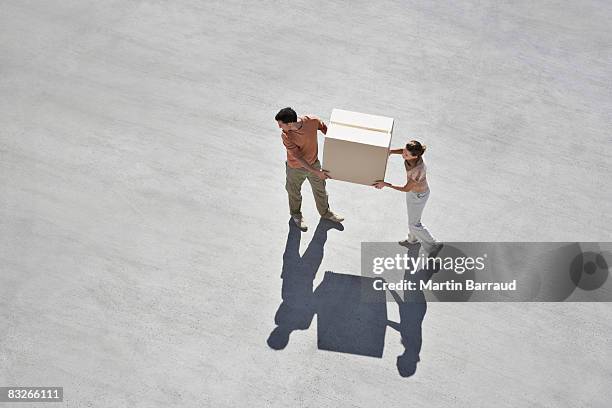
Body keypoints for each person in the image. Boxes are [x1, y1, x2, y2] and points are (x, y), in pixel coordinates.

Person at [276, 107, 344, 232]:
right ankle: (296, 215)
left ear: (290, 123)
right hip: (295, 168)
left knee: (321, 190)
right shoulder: (286, 135)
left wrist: (334, 140)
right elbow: (298, 157)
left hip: (314, 163)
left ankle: (326, 213)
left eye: (281, 124)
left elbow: (323, 127)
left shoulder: (311, 121)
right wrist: (316, 172)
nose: (280, 127)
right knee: (294, 193)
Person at [373, 140, 441, 254]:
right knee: (413, 219)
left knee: (414, 224)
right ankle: (412, 240)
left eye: (406, 154)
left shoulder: (417, 171)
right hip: (413, 193)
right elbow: (403, 151)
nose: (403, 154)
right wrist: (390, 152)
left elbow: (406, 188)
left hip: (418, 196)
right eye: (404, 151)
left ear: (415, 156)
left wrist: (385, 184)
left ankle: (434, 245)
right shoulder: (412, 154)